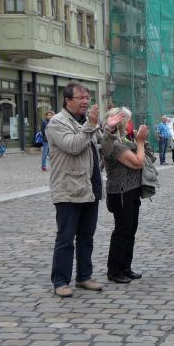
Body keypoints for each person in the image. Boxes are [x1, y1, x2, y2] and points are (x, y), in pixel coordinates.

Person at [46, 82, 104, 298]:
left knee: (86, 236)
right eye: (81, 97)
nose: (85, 101)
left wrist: (106, 127)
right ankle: (60, 280)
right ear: (68, 100)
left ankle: (84, 276)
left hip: (89, 187)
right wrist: (91, 125)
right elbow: (73, 145)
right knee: (66, 237)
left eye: (87, 97)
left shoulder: (85, 121)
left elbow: (96, 143)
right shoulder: (57, 122)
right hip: (68, 189)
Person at [101, 108, 153, 284]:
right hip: (121, 191)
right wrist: (140, 143)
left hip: (131, 191)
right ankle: (114, 270)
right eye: (127, 120)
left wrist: (141, 142)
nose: (130, 124)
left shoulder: (123, 140)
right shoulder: (114, 144)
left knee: (130, 230)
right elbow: (138, 162)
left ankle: (125, 267)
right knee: (122, 231)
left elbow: (148, 155)